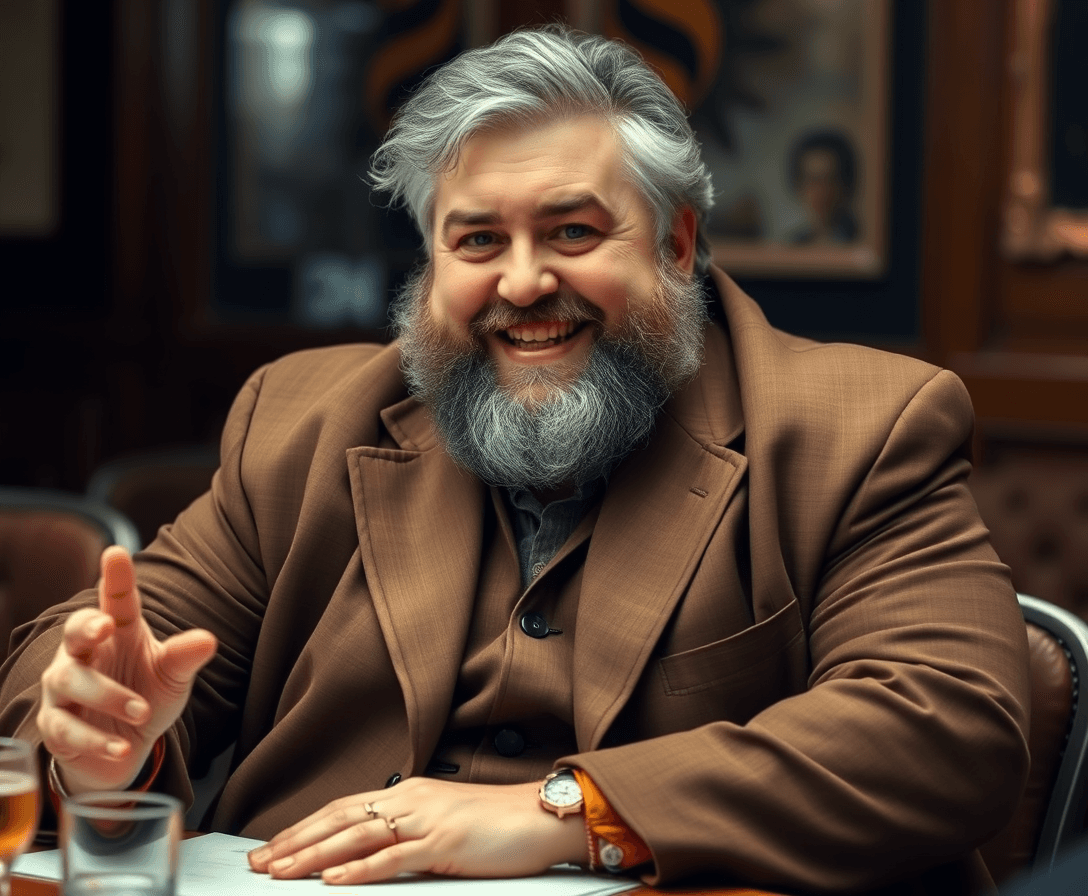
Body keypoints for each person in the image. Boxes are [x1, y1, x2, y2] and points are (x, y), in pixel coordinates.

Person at [0, 25, 1030, 895]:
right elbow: (76, 668)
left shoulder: (859, 424)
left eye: (572, 230)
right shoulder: (300, 417)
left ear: (676, 242)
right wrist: (96, 725)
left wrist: (559, 810)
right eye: (477, 240)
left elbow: (948, 721)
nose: (523, 281)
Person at [787, 129, 860, 245]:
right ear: (798, 185)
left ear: (846, 186)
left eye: (831, 179)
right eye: (812, 180)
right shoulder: (795, 245)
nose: (821, 191)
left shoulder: (860, 244)